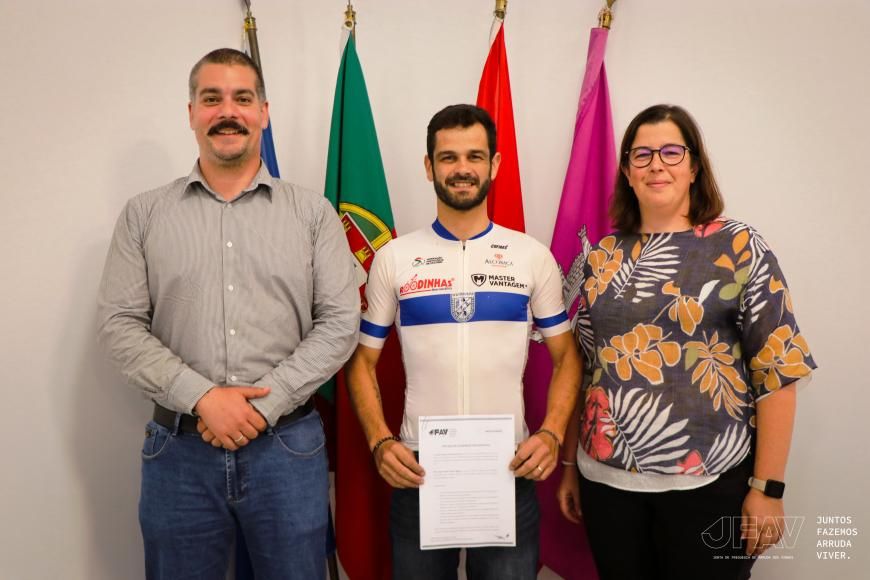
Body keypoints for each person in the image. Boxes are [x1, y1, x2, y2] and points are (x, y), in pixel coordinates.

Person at [97, 48, 359, 580]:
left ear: (264, 111)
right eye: (211, 98)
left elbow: (339, 322)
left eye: (242, 98)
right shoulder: (144, 215)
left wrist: (265, 405)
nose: (227, 111)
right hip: (179, 455)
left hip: (287, 451)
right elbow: (119, 324)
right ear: (191, 112)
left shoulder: (312, 214)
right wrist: (202, 397)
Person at [557, 104, 816, 580]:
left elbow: (778, 371)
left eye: (672, 152)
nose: (657, 164)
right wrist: (571, 463)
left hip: (711, 485)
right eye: (642, 155)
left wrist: (768, 487)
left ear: (695, 167)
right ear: (627, 173)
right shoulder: (604, 256)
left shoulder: (738, 245)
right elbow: (585, 368)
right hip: (607, 486)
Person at [346, 104, 581, 579]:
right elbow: (361, 362)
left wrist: (552, 433)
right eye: (448, 158)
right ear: (429, 167)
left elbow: (568, 357)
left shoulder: (531, 257)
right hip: (418, 473)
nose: (462, 169)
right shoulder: (395, 258)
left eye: (475, 156)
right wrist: (378, 441)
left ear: (494, 165)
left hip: (509, 468)